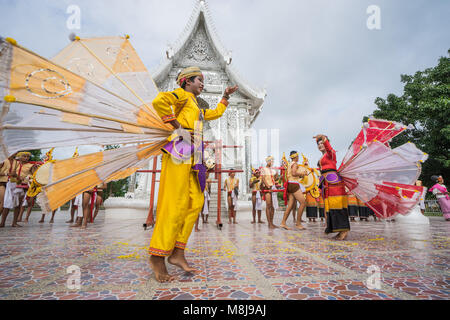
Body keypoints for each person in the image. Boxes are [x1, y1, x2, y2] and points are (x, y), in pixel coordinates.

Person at [148, 66, 238, 282]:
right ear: (187, 81)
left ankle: (178, 252)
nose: (202, 83)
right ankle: (157, 256)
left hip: (194, 155)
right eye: (199, 79)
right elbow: (159, 101)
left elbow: (215, 113)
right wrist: (179, 128)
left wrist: (225, 97)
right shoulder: (181, 95)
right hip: (179, 150)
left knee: (196, 202)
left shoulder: (196, 106)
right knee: (175, 202)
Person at [314, 134, 350, 240]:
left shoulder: (331, 153)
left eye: (322, 143)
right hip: (327, 183)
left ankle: (344, 230)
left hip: (335, 184)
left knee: (337, 205)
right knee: (330, 207)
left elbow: (329, 148)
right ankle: (338, 230)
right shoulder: (322, 157)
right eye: (318, 144)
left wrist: (323, 138)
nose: (320, 145)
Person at [0, 152, 34, 227]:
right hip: (8, 184)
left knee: (18, 205)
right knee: (6, 204)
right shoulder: (8, 161)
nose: (26, 158)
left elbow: (33, 174)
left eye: (27, 156)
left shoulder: (28, 165)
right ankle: (2, 223)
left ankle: (14, 223)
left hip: (20, 185)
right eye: (24, 156)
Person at [280, 151, 307, 230]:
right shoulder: (294, 164)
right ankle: (298, 223)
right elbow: (294, 173)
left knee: (290, 205)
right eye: (298, 156)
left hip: (290, 184)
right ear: (296, 157)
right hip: (294, 184)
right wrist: (302, 174)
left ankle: (283, 222)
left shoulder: (290, 164)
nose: (298, 158)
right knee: (303, 202)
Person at [260, 156, 278, 229]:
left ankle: (272, 223)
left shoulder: (272, 170)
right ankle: (269, 223)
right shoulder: (263, 169)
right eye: (271, 161)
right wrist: (267, 186)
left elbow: (274, 179)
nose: (272, 162)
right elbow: (263, 179)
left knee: (273, 207)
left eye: (273, 161)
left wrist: (277, 175)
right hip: (267, 188)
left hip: (272, 187)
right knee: (268, 205)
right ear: (268, 161)